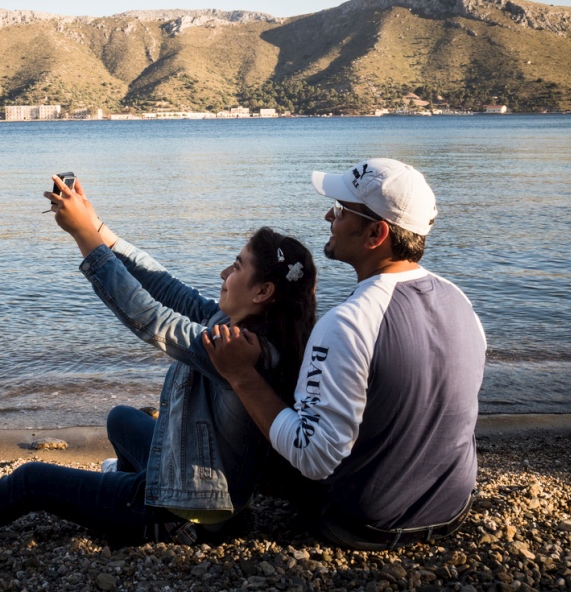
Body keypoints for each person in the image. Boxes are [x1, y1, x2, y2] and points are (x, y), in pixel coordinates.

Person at [0, 174, 317, 546]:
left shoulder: (242, 350)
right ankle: (130, 495)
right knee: (121, 419)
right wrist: (98, 225)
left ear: (263, 291)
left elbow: (150, 318)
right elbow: (163, 284)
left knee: (32, 481)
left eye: (236, 266)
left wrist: (84, 239)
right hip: (196, 480)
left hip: (183, 506)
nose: (223, 272)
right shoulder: (245, 326)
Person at [203, 158, 486, 550]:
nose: (327, 216)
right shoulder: (460, 302)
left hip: (365, 527)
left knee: (272, 437)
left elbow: (312, 456)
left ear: (376, 233)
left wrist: (242, 376)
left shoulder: (348, 323)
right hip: (451, 510)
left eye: (340, 211)